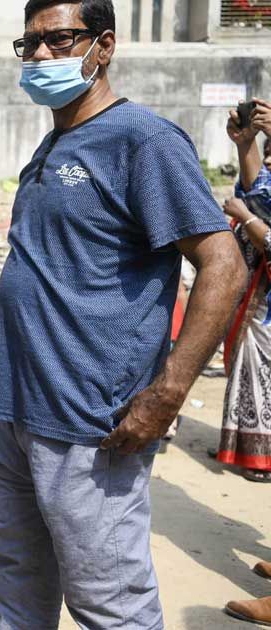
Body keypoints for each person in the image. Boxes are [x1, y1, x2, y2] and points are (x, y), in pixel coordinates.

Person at [0, 1, 245, 627]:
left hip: (93, 419)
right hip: (22, 407)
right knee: (20, 574)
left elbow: (224, 266)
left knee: (108, 601)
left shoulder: (144, 142)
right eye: (30, 45)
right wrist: (1, 291)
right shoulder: (55, 142)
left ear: (103, 46)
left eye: (59, 40)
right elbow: (80, 252)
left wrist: (169, 392)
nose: (42, 56)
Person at [216, 97, 271, 486]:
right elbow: (257, 193)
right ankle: (244, 447)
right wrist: (246, 143)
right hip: (256, 296)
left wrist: (246, 218)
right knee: (247, 370)